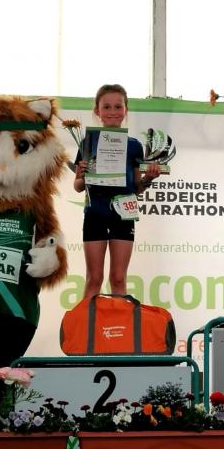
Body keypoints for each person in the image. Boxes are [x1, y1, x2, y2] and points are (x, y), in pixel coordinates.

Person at [75, 84, 160, 298]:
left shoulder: (134, 146)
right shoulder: (88, 142)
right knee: (94, 279)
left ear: (125, 110)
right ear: (97, 111)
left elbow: (137, 188)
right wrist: (83, 175)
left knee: (119, 278)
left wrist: (148, 178)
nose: (112, 111)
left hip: (123, 215)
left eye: (118, 106)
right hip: (95, 214)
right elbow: (77, 186)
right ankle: (88, 320)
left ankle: (120, 320)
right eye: (106, 107)